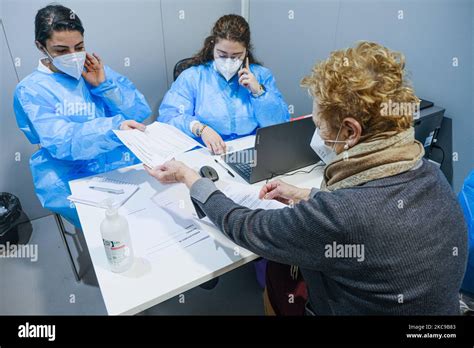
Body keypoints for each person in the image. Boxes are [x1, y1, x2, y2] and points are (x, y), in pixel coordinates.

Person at [145, 41, 468, 315]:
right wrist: (307, 197)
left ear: (350, 131)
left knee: (277, 268)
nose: (317, 133)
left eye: (319, 123)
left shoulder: (344, 214)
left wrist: (191, 178)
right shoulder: (429, 174)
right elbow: (369, 219)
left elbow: (246, 226)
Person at [13, 4, 151, 228]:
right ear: (41, 47)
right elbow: (62, 141)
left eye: (79, 47)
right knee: (113, 228)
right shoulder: (31, 90)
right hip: (73, 174)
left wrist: (104, 86)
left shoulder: (92, 69)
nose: (73, 56)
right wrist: (114, 128)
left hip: (121, 162)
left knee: (149, 219)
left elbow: (138, 113)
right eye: (61, 50)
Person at [158, 14, 289, 154]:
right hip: (205, 151)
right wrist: (200, 129)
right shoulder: (192, 77)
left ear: (246, 51)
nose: (228, 62)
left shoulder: (262, 76)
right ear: (213, 46)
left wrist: (259, 92)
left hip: (250, 150)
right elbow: (169, 118)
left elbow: (279, 125)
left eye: (236, 56)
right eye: (222, 55)